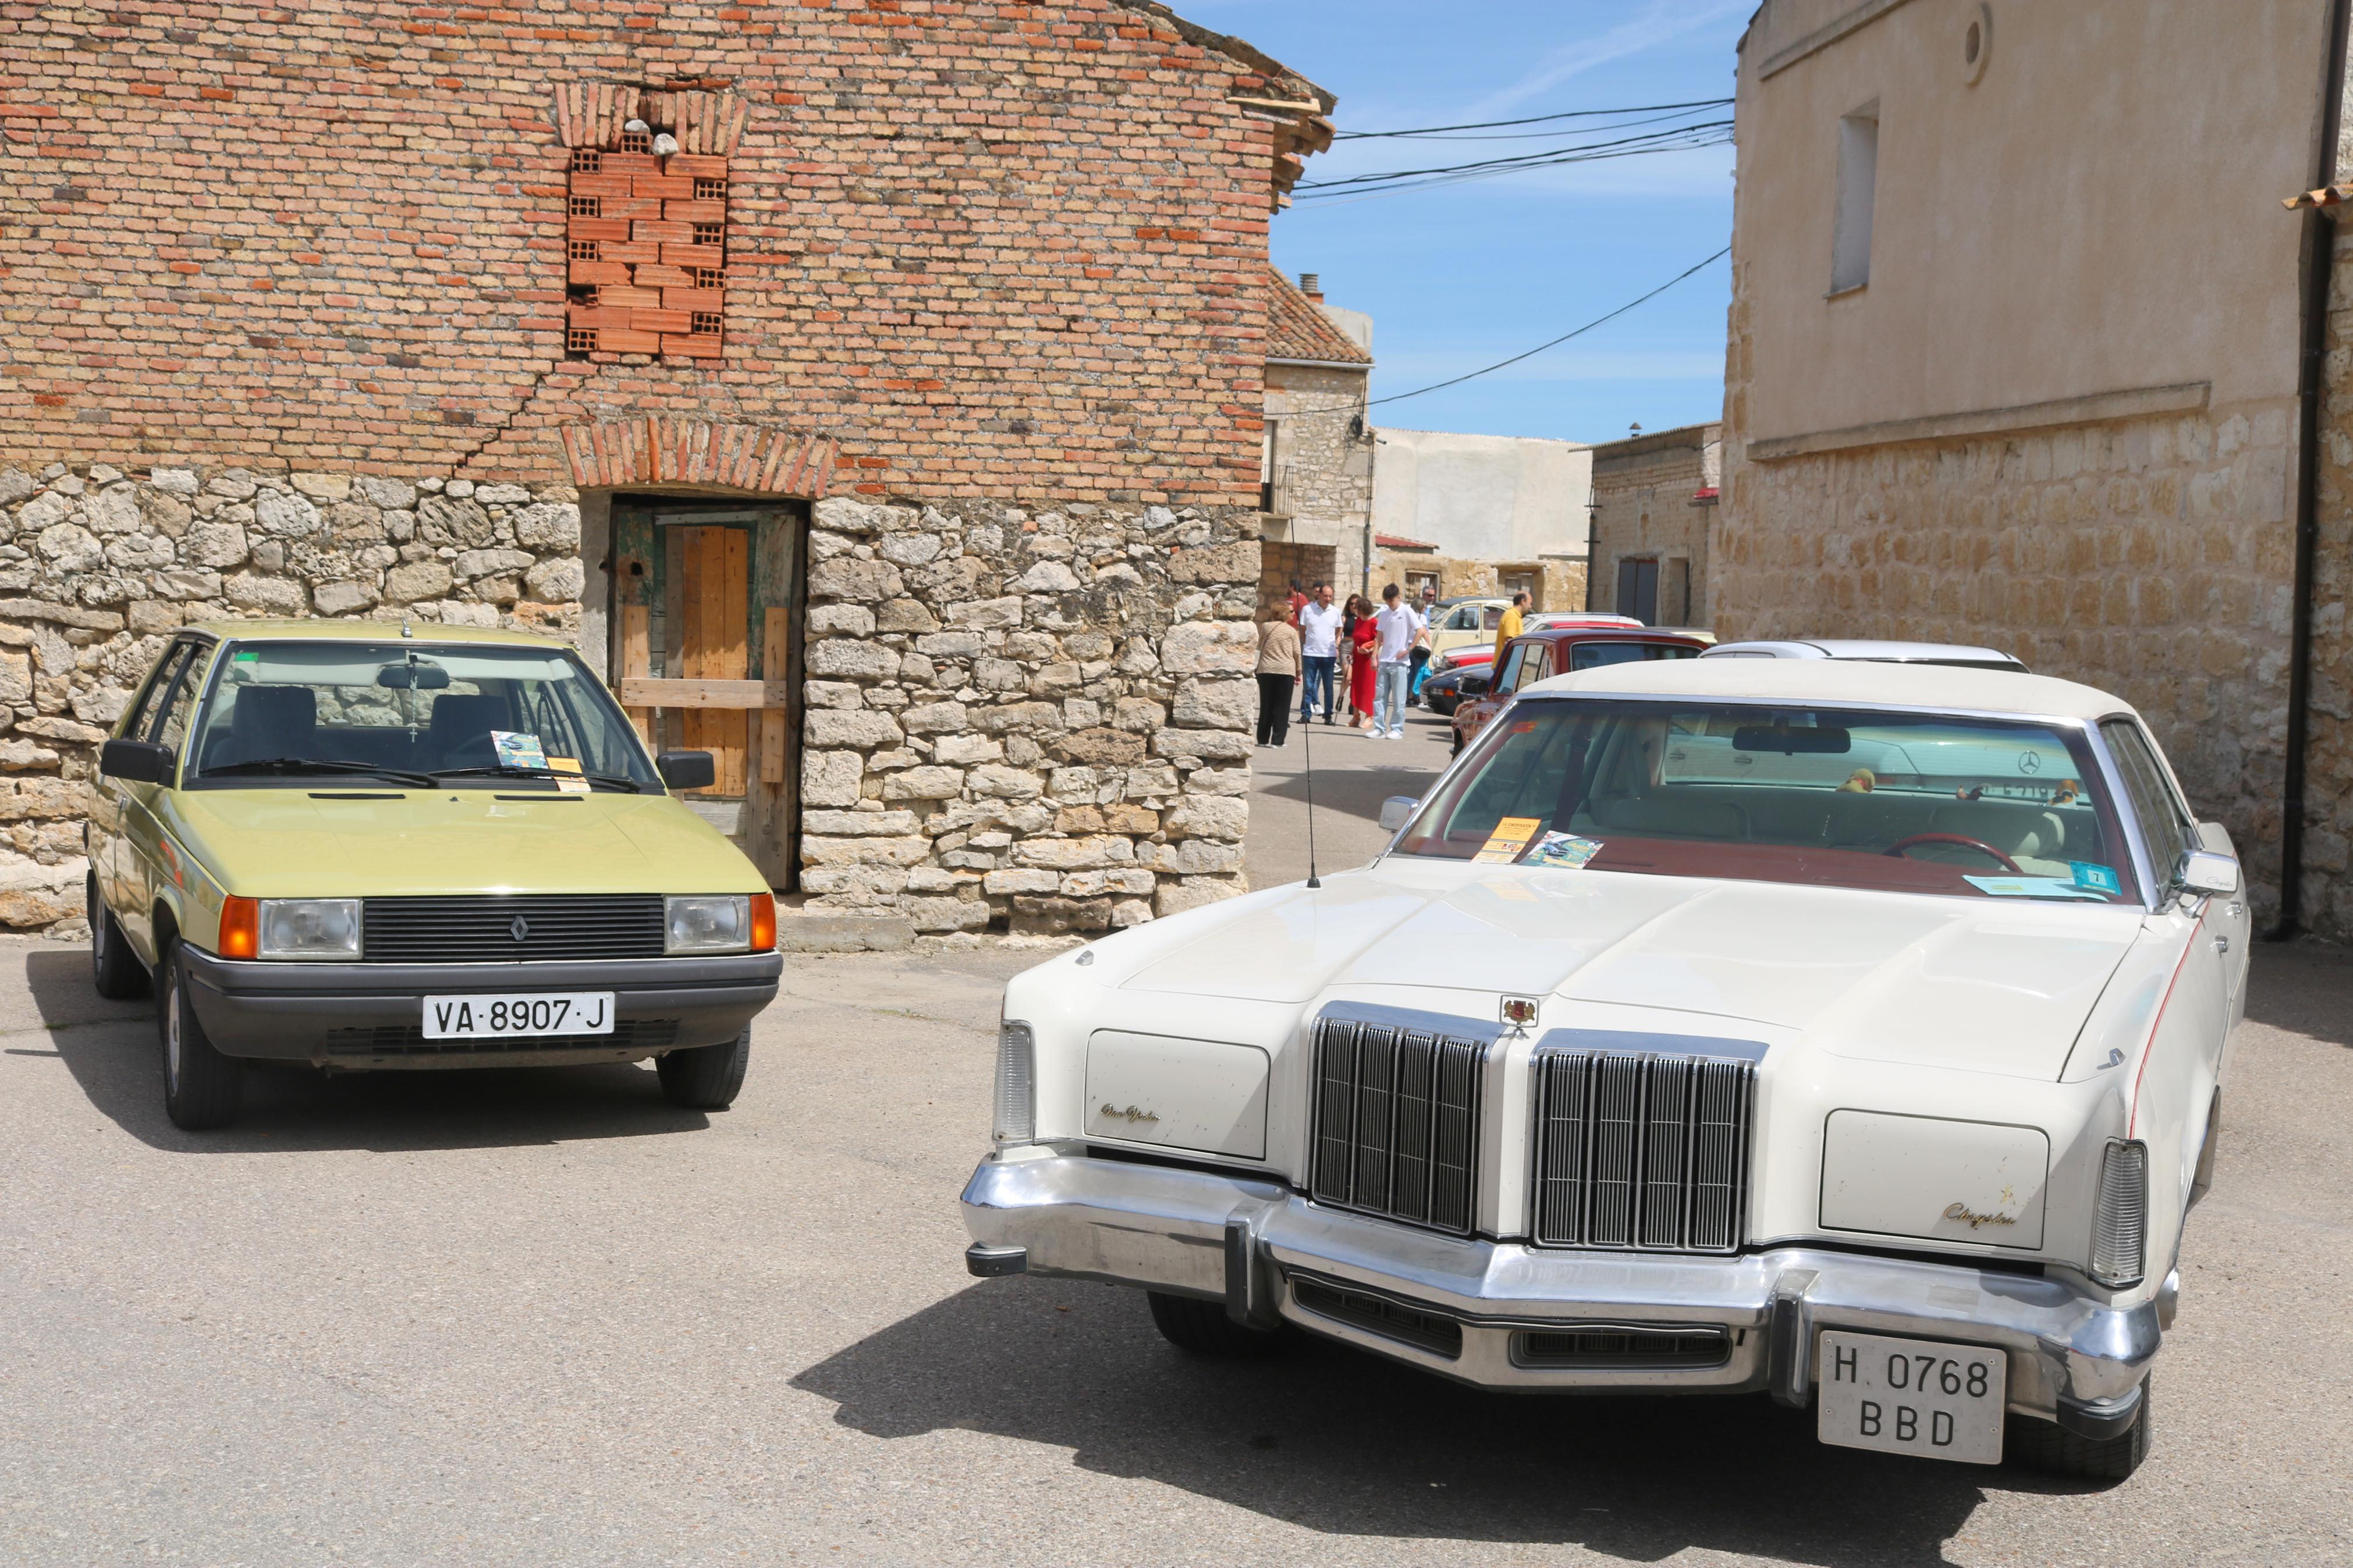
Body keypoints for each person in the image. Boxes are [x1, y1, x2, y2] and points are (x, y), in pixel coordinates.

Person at [1372, 582, 1424, 739]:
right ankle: (1379, 728)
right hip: (1385, 660)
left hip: (1400, 662)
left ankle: (1397, 729)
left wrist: (1409, 649)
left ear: (1398, 597)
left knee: (1399, 698)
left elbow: (1420, 630)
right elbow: (1379, 636)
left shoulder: (1407, 611)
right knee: (1380, 696)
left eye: (1392, 601)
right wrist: (1374, 657)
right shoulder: (1385, 614)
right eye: (1387, 601)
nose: (1390, 604)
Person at [1297, 582, 1343, 727]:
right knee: (1309, 685)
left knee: (1328, 687)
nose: (1328, 599)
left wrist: (1335, 644)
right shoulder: (1308, 609)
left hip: (1328, 655)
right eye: (1325, 596)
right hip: (1310, 653)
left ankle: (1328, 716)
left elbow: (1339, 630)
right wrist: (1308, 643)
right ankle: (1306, 714)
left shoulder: (1335, 612)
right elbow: (1302, 630)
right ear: (1319, 595)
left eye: (1330, 596)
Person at [1254, 606, 1300, 748]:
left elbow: (1260, 645)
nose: (1293, 614)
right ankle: (1278, 740)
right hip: (1286, 671)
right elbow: (1297, 653)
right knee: (1282, 707)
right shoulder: (1292, 631)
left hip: (1266, 669)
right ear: (1285, 614)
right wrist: (1299, 671)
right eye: (1291, 612)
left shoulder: (1266, 627)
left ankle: (1262, 739)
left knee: (1266, 705)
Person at [1346, 593, 1378, 730]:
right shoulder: (1358, 621)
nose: (1354, 609)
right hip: (1357, 658)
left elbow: (1378, 640)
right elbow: (1356, 638)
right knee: (1356, 687)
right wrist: (1352, 653)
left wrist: (1368, 649)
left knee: (1368, 688)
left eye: (1357, 607)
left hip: (1368, 659)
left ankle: (1369, 716)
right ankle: (1356, 716)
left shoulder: (1374, 622)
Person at [1493, 589, 1529, 669]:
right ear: (1523, 601)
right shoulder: (1511, 616)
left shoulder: (1515, 616)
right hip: (1506, 666)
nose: (1530, 607)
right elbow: (1509, 642)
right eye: (1530, 603)